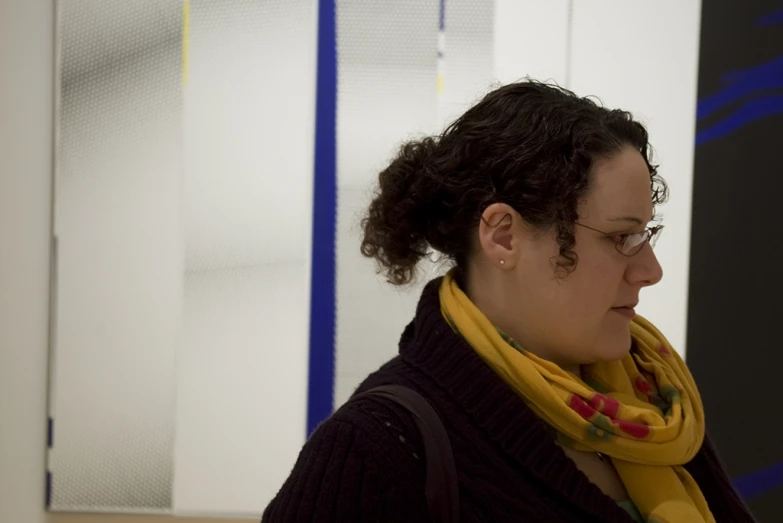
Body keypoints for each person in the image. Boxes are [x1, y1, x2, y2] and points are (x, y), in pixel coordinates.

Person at [263, 81, 755, 522]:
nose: (651, 270)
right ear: (503, 237)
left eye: (645, 234)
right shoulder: (378, 451)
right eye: (621, 237)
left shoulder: (654, 402)